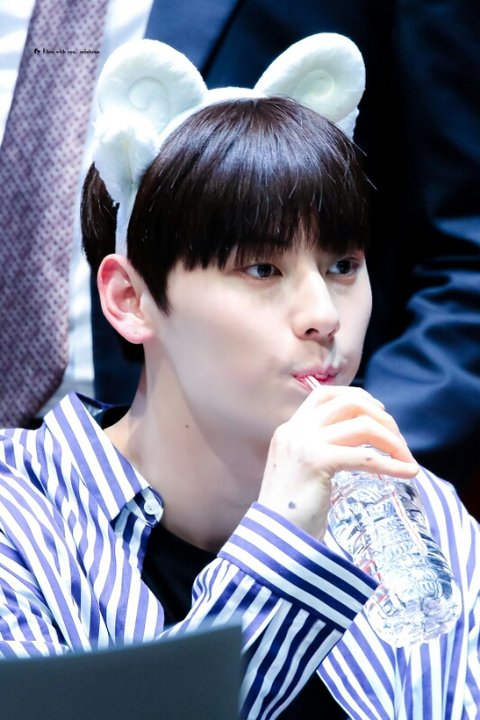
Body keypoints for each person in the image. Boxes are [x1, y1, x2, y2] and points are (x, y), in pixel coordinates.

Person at [0, 37, 478, 719]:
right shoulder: (20, 520)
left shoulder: (426, 511)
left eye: (343, 265)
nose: (323, 315)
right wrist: (282, 544)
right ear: (131, 299)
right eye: (261, 269)